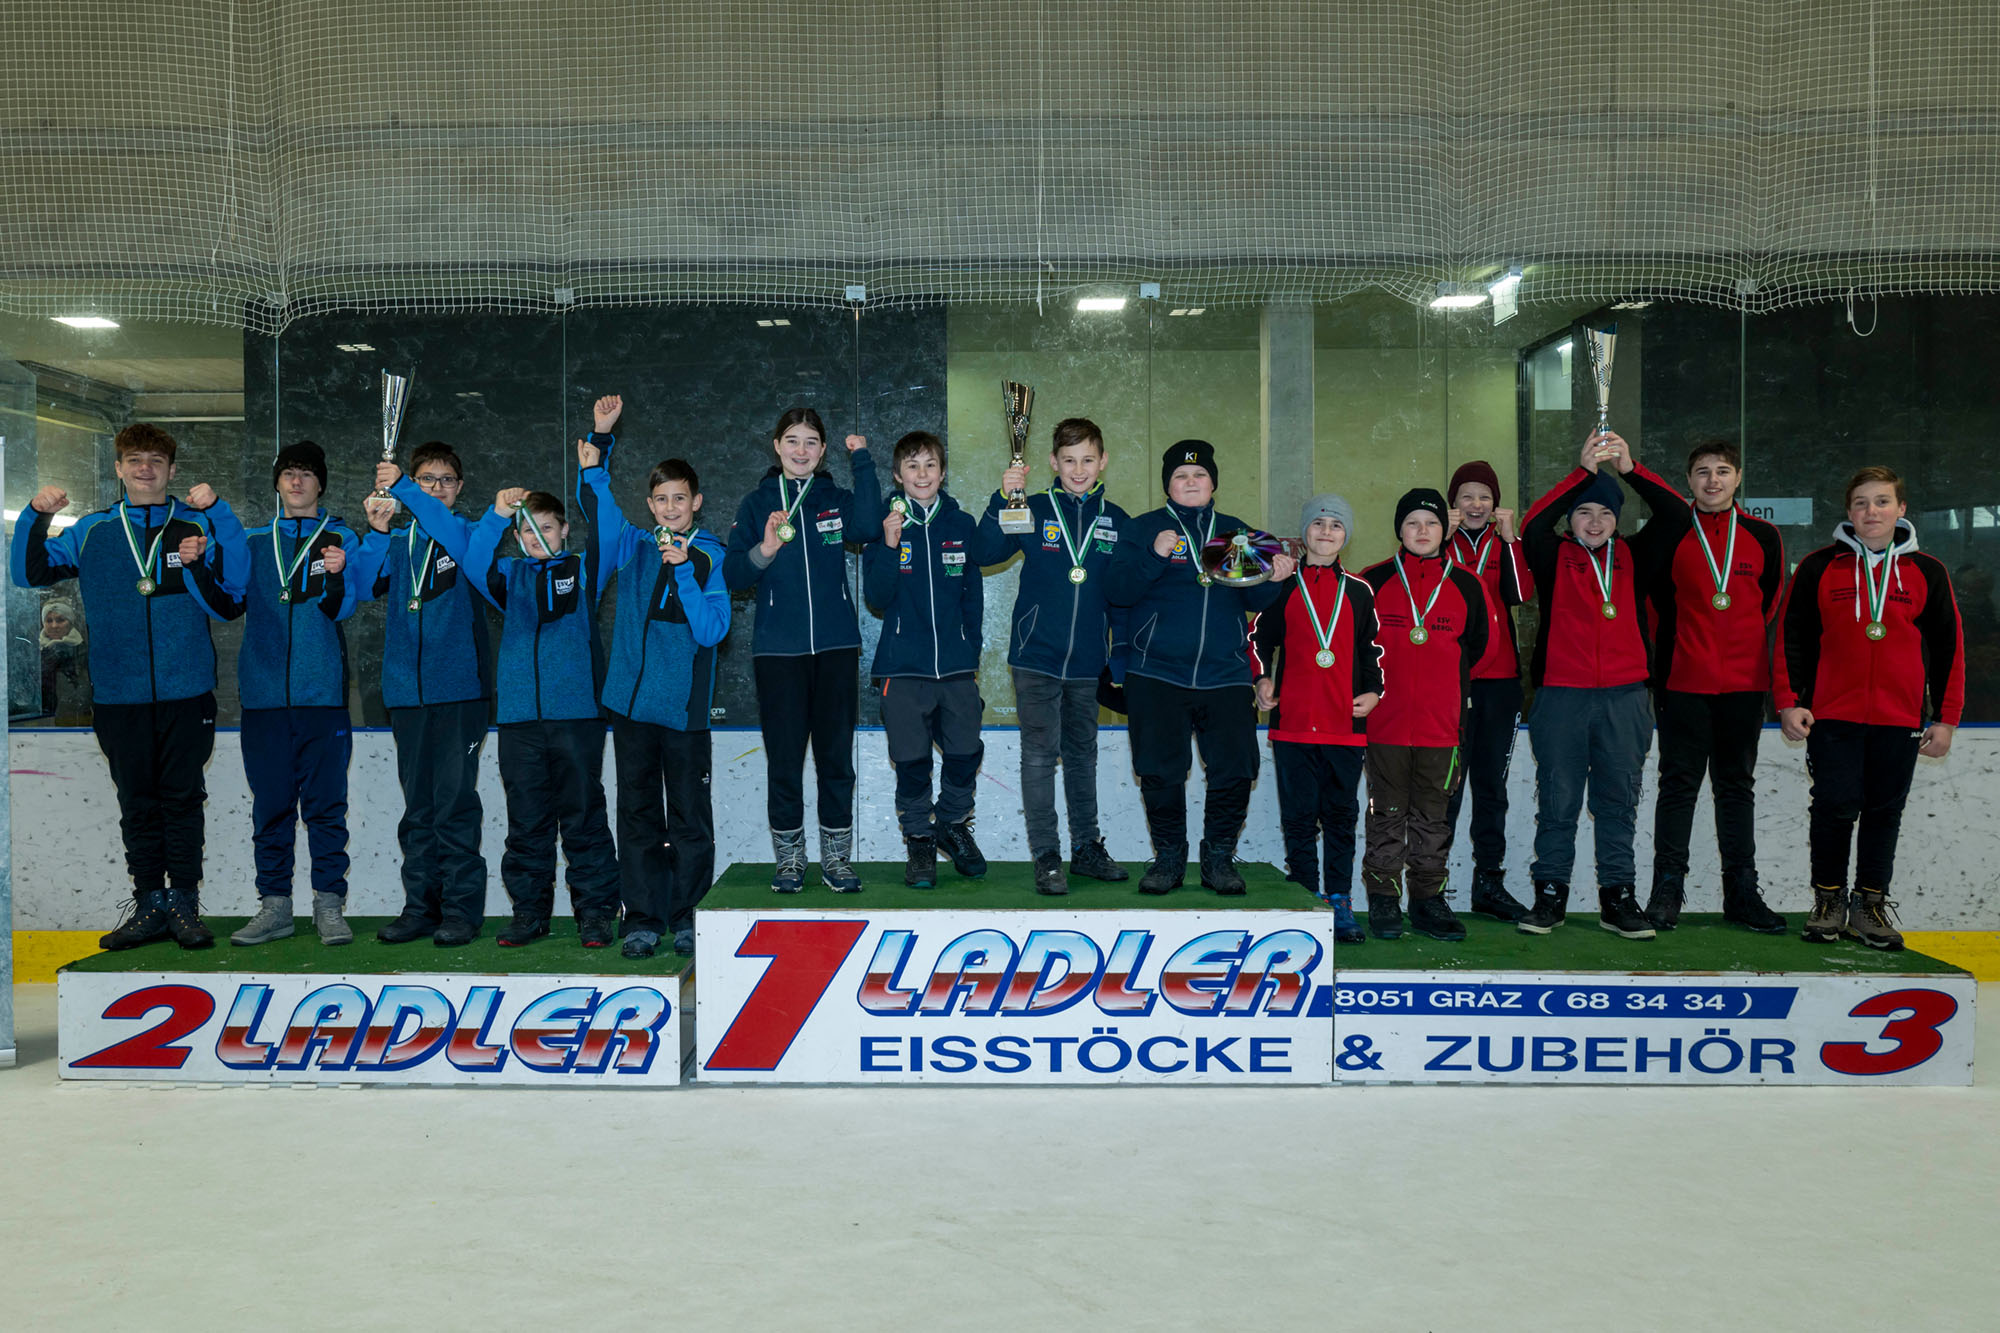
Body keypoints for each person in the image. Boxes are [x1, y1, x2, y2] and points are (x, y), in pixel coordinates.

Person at [12, 423, 245, 950]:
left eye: (156, 461)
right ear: (118, 469)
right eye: (135, 460)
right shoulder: (92, 531)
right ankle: (148, 904)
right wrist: (36, 514)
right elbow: (28, 574)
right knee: (137, 802)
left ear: (172, 471)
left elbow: (233, 597)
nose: (145, 469)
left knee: (183, 799)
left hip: (187, 691)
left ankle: (183, 903)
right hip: (118, 694)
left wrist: (213, 532)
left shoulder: (193, 526)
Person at [1776, 466, 1963, 951]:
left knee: (1885, 812)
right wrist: (1789, 702)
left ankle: (1870, 904)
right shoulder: (1819, 567)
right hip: (1832, 716)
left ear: (1901, 509)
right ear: (1849, 512)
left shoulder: (1928, 571)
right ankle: (1829, 901)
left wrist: (1945, 718)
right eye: (1861, 503)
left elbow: (1948, 649)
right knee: (1834, 808)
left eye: (1882, 502)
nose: (1871, 511)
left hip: (1899, 718)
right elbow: (1790, 639)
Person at [578, 398, 732, 957]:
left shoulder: (711, 554)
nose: (670, 507)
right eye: (661, 499)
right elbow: (598, 506)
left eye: (680, 498)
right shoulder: (634, 545)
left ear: (696, 502)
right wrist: (599, 444)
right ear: (651, 505)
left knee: (689, 819)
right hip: (630, 708)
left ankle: (689, 916)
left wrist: (684, 571)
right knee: (637, 816)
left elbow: (713, 631)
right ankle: (641, 916)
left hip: (684, 713)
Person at [1104, 440, 1293, 894]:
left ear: (1213, 483)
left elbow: (1254, 600)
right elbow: (1118, 591)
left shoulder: (1235, 533)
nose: (1191, 482)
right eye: (1181, 477)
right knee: (1159, 769)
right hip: (1156, 673)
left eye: (1200, 476)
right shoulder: (1142, 528)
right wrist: (1153, 554)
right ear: (1168, 485)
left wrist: (1277, 579)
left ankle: (1218, 859)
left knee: (1235, 767)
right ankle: (1168, 859)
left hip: (1224, 674)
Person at [1627, 439, 1787, 933]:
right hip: (1683, 685)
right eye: (1701, 472)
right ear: (1689, 481)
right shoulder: (1672, 532)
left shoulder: (1764, 535)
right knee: (1677, 788)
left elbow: (1769, 606)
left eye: (1722, 471)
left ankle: (1741, 893)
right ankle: (1666, 892)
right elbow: (1651, 608)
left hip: (1743, 686)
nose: (1712, 481)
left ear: (1738, 477)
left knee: (1736, 788)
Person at [969, 416, 1131, 895]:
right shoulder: (1032, 508)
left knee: (1082, 756)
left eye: (1087, 459)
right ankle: (1046, 856)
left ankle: (1086, 849)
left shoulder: (1117, 521)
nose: (1078, 469)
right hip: (1035, 656)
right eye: (1068, 460)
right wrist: (1003, 498)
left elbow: (1124, 596)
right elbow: (983, 552)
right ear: (1053, 463)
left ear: (1102, 461)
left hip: (1086, 663)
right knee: (1040, 756)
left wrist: (1118, 657)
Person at [461, 477, 623, 952]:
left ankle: (595, 914)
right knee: (526, 822)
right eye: (528, 530)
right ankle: (530, 913)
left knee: (583, 818)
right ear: (517, 536)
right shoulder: (510, 577)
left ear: (564, 530)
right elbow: (474, 564)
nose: (537, 537)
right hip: (518, 721)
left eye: (546, 529)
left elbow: (610, 533)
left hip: (576, 718)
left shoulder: (584, 570)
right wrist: (495, 514)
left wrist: (595, 470)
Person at [722, 409, 881, 893]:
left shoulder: (834, 496)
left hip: (835, 648)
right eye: (792, 440)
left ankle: (837, 859)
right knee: (785, 760)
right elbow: (733, 575)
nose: (801, 450)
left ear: (823, 450)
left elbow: (869, 526)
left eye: (812, 442)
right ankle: (790, 860)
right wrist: (765, 551)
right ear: (777, 446)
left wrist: (864, 462)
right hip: (778, 653)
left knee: (836, 759)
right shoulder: (756, 504)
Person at [1516, 430, 1659, 940]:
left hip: (1626, 698)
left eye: (1603, 513)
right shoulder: (1555, 557)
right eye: (1582, 512)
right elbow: (1532, 525)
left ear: (1617, 520)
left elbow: (1679, 518)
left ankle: (1617, 897)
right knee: (1558, 800)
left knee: (1617, 802)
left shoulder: (1636, 557)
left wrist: (1629, 470)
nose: (1594, 522)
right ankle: (1549, 894)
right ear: (1569, 520)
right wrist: (1582, 472)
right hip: (1562, 696)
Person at [224, 441, 365, 947]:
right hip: (263, 699)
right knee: (271, 807)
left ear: (321, 482)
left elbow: (346, 607)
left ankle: (329, 906)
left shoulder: (343, 539)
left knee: (326, 807)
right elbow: (226, 602)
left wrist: (339, 572)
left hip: (322, 697)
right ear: (278, 482)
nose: (297, 481)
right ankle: (275, 907)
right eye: (288, 473)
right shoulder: (254, 541)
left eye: (306, 473)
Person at [358, 445, 493, 947]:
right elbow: (361, 585)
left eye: (446, 480)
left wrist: (408, 490)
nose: (437, 488)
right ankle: (421, 907)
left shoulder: (474, 535)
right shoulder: (397, 540)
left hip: (461, 691)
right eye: (425, 479)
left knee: (455, 804)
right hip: (406, 694)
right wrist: (374, 530)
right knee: (418, 808)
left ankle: (460, 911)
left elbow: (453, 539)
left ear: (461, 487)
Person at [1359, 489, 1489, 942]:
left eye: (1431, 523)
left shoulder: (1467, 585)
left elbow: (1475, 647)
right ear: (1399, 529)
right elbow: (1357, 649)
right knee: (1386, 813)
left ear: (1444, 530)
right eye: (1412, 523)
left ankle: (1428, 900)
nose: (1422, 531)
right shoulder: (1371, 582)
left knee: (1434, 817)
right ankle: (1383, 898)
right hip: (1385, 723)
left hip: (1441, 726)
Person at [1250, 493, 1381, 941]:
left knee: (1342, 817)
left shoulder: (1361, 591)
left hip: (1345, 725)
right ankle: (1305, 895)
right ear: (1304, 532)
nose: (1326, 532)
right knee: (1299, 816)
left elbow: (1373, 650)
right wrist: (1262, 680)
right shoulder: (1281, 584)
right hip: (1293, 724)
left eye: (1336, 525)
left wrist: (1375, 692)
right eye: (1319, 524)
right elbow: (1258, 639)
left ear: (1346, 535)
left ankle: (1340, 899)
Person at [864, 431, 987, 886]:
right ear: (898, 476)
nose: (922, 474)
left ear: (942, 472)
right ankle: (919, 839)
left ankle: (952, 825)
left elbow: (972, 596)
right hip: (902, 667)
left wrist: (968, 648)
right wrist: (891, 546)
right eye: (912, 467)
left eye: (930, 465)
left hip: (955, 666)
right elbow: (876, 597)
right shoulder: (886, 525)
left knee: (965, 750)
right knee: (912, 759)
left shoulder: (963, 524)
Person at [1442, 460, 1531, 921]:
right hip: (1448, 683)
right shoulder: (1437, 543)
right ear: (1453, 504)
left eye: (1485, 497)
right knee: (1446, 786)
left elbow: (1519, 594)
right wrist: (1440, 536)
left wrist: (1512, 539)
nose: (1476, 505)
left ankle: (1488, 883)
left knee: (1490, 787)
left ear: (1496, 505)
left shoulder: (1505, 547)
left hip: (1499, 683)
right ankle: (1430, 884)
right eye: (1466, 497)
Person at [38, 598, 91, 723]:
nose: (54, 626)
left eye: (61, 620)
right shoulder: (33, 652)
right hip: (43, 719)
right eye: (49, 620)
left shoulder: (84, 651)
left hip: (78, 718)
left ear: (71, 622)